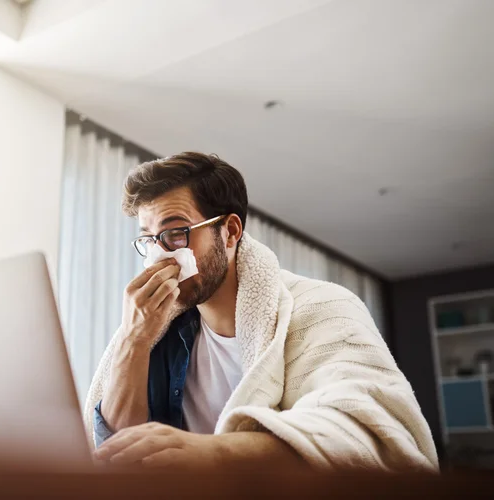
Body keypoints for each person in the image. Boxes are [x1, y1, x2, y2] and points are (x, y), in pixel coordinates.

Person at [84, 152, 438, 471]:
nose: (160, 255)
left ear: (230, 232)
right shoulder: (160, 332)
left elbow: (363, 427)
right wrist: (134, 339)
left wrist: (214, 453)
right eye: (149, 239)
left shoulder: (324, 308)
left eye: (176, 233)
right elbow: (116, 449)